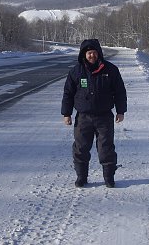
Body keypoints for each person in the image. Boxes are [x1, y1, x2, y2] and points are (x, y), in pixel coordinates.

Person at [61, 39, 127, 188]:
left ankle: (109, 177)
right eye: (89, 53)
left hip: (104, 116)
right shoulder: (76, 71)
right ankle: (81, 177)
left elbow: (120, 91)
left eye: (94, 52)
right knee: (81, 148)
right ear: (84, 54)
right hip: (83, 117)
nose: (92, 55)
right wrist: (66, 113)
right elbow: (68, 93)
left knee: (106, 148)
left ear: (99, 53)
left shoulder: (110, 70)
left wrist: (120, 111)